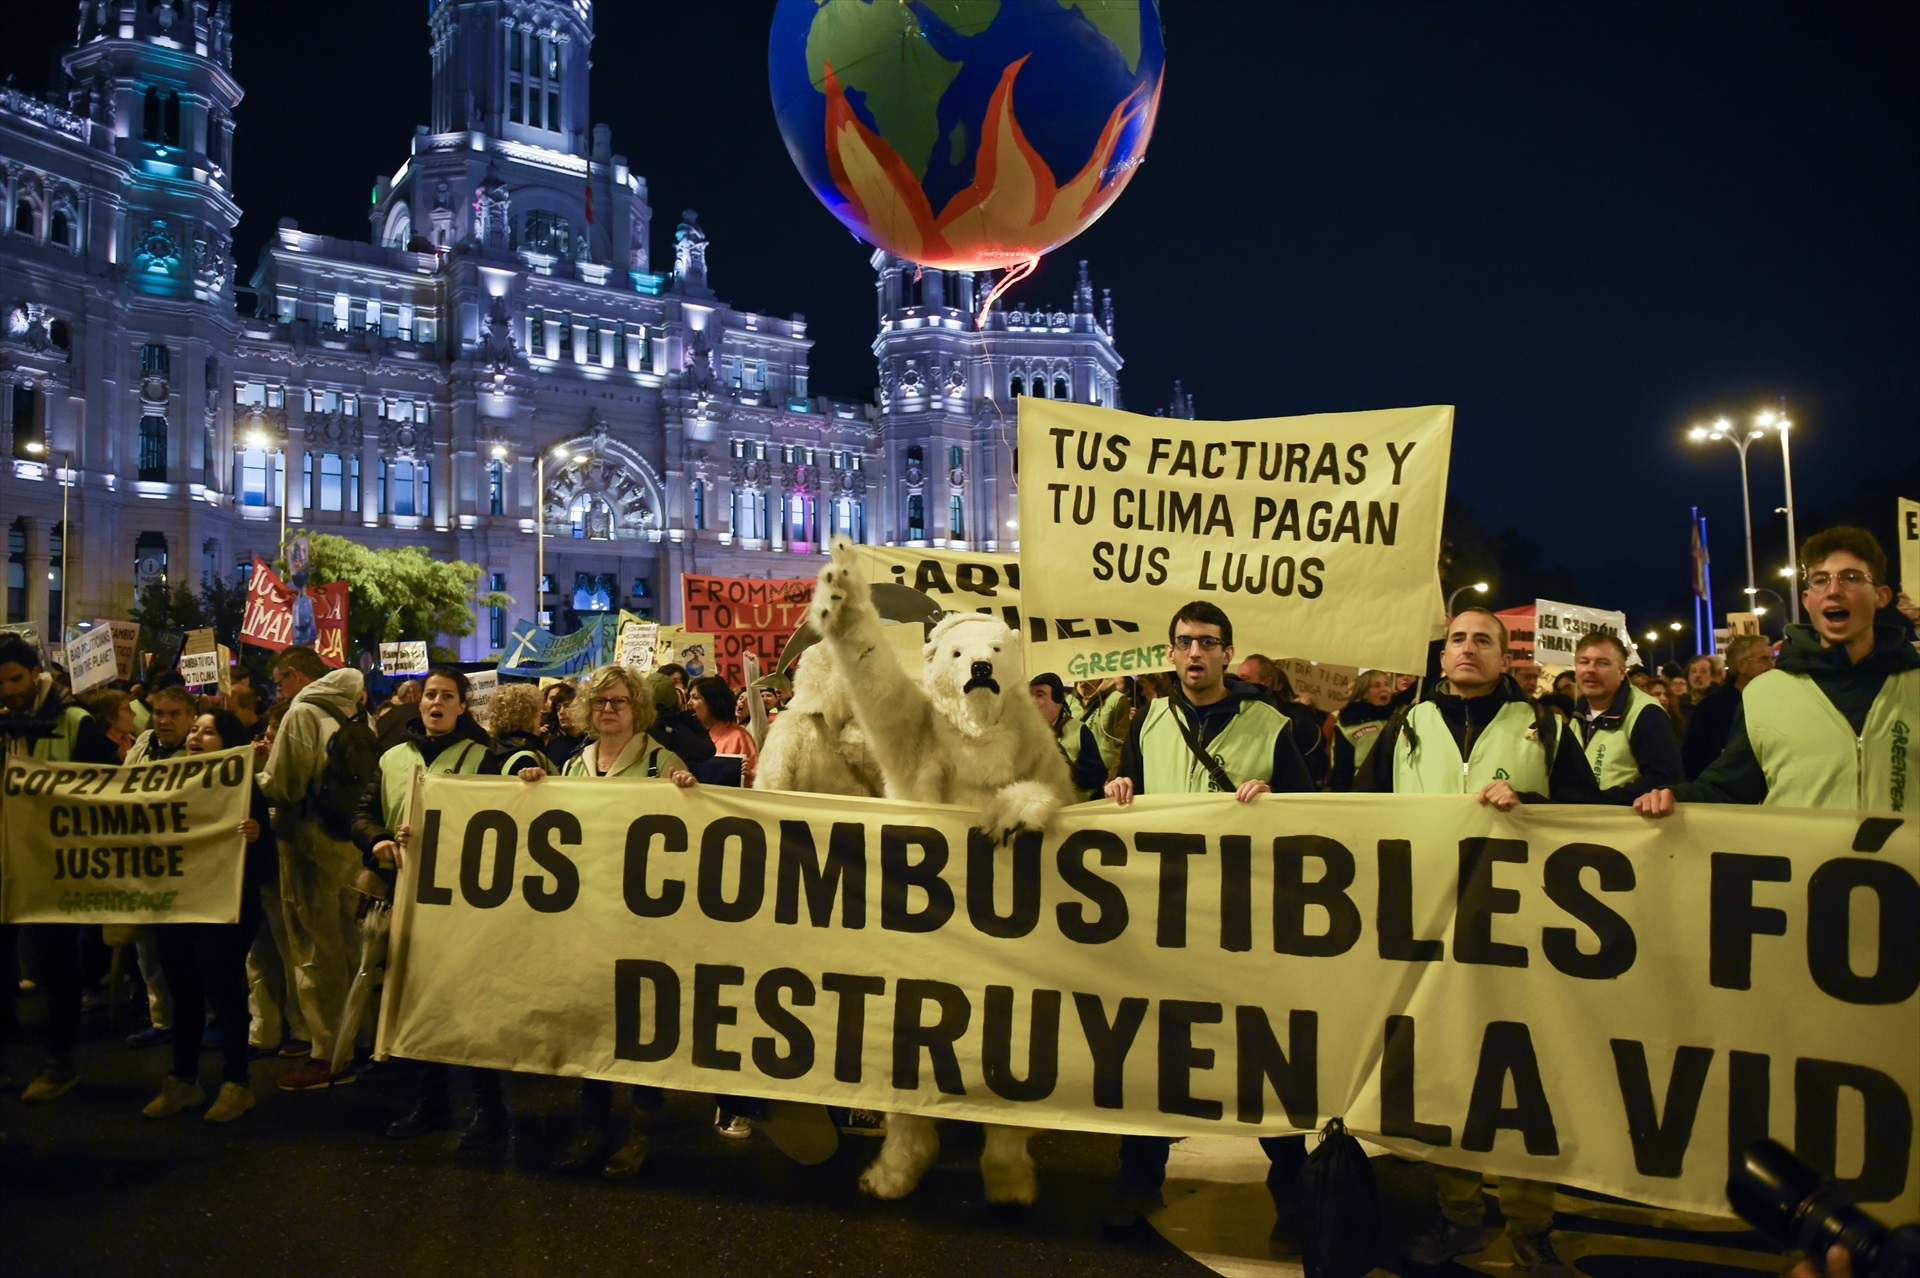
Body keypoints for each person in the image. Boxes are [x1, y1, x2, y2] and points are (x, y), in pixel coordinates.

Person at [1363, 608, 1594, 1278]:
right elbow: (1354, 811)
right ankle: (1459, 1213)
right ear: (1442, 659)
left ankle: (1531, 1225)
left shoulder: (1545, 728)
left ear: (1504, 659)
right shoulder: (1405, 727)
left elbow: (1593, 817)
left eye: (1482, 640)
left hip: (1522, 933)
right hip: (1429, 932)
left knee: (1527, 1081)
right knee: (1448, 1077)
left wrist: (1531, 804)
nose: (1468, 649)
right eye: (1458, 639)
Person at [1101, 603, 1315, 1239]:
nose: (1195, 653)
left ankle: (1293, 1189)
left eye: (1208, 643)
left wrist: (1276, 803)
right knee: (1154, 1051)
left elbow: (1314, 815)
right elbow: (1133, 785)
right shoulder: (1151, 718)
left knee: (1262, 1050)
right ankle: (1139, 1179)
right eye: (1184, 642)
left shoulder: (1271, 724)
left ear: (1227, 654)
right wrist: (1120, 790)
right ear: (1170, 653)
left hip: (1245, 917)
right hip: (1166, 916)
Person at [515, 664, 695, 1177]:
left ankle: (639, 1131)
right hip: (587, 917)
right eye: (599, 702)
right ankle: (592, 1126)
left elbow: (691, 832)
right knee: (592, 1021)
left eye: (618, 701)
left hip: (643, 921)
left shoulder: (663, 763)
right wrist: (534, 787)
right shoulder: (573, 766)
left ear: (636, 706)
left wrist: (690, 791)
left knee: (641, 1027)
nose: (608, 709)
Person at [357, 666, 542, 1150]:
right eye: (429, 695)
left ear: (463, 706)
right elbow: (364, 811)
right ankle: (430, 1102)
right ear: (419, 703)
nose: (435, 703)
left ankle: (489, 1108)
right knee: (419, 1000)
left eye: (447, 696)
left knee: (473, 1001)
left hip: (467, 903)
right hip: (409, 895)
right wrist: (376, 839)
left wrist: (526, 776)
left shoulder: (486, 756)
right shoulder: (393, 756)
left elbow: (516, 798)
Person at [1636, 527, 1919, 815]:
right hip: (1804, 860)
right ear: (1808, 600)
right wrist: (1673, 798)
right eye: (1821, 580)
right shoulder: (1764, 692)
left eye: (1851, 578)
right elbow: (1728, 787)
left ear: (1881, 596)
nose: (1834, 590)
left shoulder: (1914, 683)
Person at [1, 634, 120, 1103]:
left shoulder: (75, 722)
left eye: (15, 679)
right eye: (1, 683)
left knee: (56, 967)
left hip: (54, 868)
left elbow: (106, 790)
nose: (9, 690)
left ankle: (58, 1061)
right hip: (7, 863)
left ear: (35, 673)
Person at [143, 711, 274, 1123]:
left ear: (226, 744)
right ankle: (184, 1080)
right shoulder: (165, 780)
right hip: (178, 904)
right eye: (195, 729)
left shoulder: (243, 789)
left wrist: (256, 836)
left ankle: (237, 1084)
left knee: (223, 993)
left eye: (209, 731)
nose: (197, 736)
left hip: (226, 906)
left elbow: (268, 865)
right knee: (183, 994)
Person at [256, 646, 370, 1092]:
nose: (278, 688)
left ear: (296, 675)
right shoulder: (353, 712)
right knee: (349, 948)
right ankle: (356, 1041)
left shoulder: (301, 713)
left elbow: (284, 786)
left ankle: (326, 1055)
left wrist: (254, 772)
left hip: (308, 846)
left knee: (313, 952)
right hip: (346, 846)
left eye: (280, 679)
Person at [122, 685, 202, 1049]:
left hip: (188, 863)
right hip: (145, 858)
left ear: (190, 716)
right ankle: (162, 1019)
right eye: (158, 713)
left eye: (173, 714)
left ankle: (206, 1019)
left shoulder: (200, 750)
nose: (164, 721)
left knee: (192, 950)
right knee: (147, 948)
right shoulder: (143, 745)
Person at [1569, 632, 1683, 803]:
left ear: (1622, 672)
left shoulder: (1647, 714)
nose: (1591, 669)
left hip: (1629, 826)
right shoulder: (1578, 715)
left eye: (1603, 663)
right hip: (1584, 823)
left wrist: (1596, 801)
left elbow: (1665, 782)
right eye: (1584, 662)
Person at [1679, 634, 1773, 779]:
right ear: (1742, 665)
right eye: (1764, 659)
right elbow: (1693, 761)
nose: (1771, 666)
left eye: (1772, 659)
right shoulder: (1710, 709)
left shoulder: (1775, 703)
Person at [1236, 654, 1331, 782]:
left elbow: (1316, 764)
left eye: (1244, 678)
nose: (1238, 684)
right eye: (1237, 678)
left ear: (1266, 682)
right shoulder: (1233, 712)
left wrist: (1279, 786)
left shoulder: (1295, 716)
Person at [1027, 673, 1107, 800]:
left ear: (1057, 703)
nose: (1032, 700)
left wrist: (1069, 770)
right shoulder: (1024, 734)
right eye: (1029, 695)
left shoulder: (1079, 731)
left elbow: (1097, 778)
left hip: (1073, 811)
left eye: (1040, 694)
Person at [1329, 669, 1400, 792]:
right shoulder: (1348, 723)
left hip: (1394, 786)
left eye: (1386, 684)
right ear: (1364, 693)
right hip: (1363, 789)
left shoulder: (1399, 718)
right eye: (1377, 686)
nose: (1384, 689)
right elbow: (1342, 769)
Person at [688, 674, 758, 786]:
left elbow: (757, 778)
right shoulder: (687, 734)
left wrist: (749, 775)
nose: (689, 703)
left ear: (712, 702)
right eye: (689, 697)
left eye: (696, 698)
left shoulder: (739, 737)